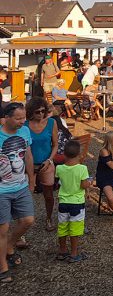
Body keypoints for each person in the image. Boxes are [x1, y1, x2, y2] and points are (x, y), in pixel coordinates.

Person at [0, 103, 35, 284]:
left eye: (24, 118)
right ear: (6, 117)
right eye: (18, 118)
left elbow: (28, 156)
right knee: (2, 230)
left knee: (28, 220)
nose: (23, 122)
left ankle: (10, 246)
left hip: (20, 186)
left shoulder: (25, 132)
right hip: (1, 190)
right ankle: (3, 267)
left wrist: (32, 179)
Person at [25, 97, 58, 231]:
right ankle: (23, 227)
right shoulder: (25, 125)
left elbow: (55, 145)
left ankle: (49, 218)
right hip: (29, 165)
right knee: (26, 196)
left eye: (43, 111)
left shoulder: (51, 123)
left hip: (46, 163)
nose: (40, 114)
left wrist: (50, 160)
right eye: (37, 112)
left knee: (49, 195)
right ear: (31, 112)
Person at [54, 140, 90, 263]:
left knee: (62, 227)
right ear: (80, 155)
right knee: (75, 229)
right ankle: (74, 253)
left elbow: (59, 182)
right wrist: (89, 183)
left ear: (64, 154)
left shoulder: (59, 168)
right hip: (77, 203)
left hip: (63, 202)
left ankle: (62, 251)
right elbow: (84, 185)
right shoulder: (82, 168)